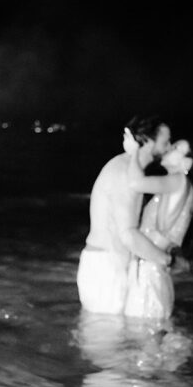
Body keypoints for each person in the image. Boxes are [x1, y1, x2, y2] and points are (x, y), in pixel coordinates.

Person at [76, 116, 174, 315]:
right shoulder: (123, 172)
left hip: (109, 265)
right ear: (146, 140)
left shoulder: (131, 170)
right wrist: (164, 259)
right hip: (105, 269)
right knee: (107, 342)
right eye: (165, 142)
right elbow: (128, 235)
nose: (169, 147)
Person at [123, 135, 193, 322]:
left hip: (150, 273)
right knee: (148, 340)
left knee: (145, 339)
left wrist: (133, 152)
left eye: (175, 148)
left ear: (187, 162)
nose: (168, 148)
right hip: (153, 270)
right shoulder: (180, 185)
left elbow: (136, 183)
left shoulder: (177, 180)